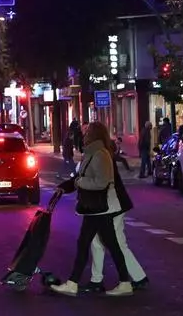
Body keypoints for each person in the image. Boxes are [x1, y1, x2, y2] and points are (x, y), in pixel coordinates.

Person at [50, 122, 133, 297]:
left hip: (100, 207)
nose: (84, 134)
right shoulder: (92, 153)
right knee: (105, 244)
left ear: (94, 134)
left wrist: (80, 183)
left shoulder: (100, 154)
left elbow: (102, 182)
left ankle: (74, 283)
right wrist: (66, 186)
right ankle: (124, 282)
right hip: (95, 208)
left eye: (88, 132)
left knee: (89, 243)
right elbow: (83, 176)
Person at [85, 140, 148, 293]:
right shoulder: (102, 155)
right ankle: (97, 279)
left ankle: (134, 277)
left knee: (112, 242)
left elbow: (100, 183)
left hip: (111, 207)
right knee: (99, 241)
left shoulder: (101, 157)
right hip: (108, 206)